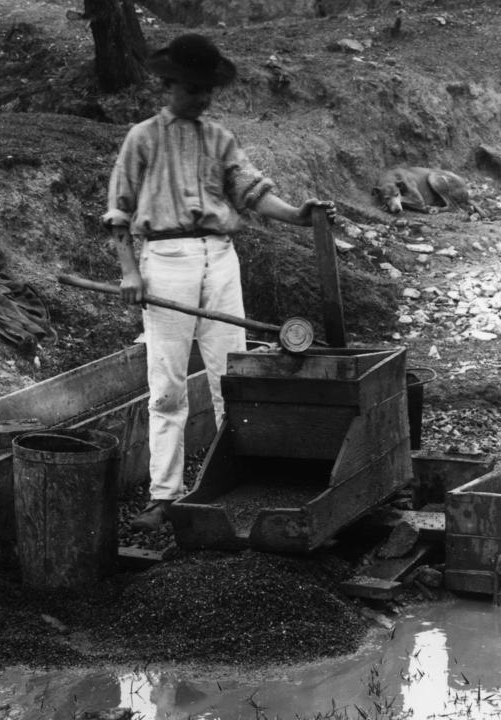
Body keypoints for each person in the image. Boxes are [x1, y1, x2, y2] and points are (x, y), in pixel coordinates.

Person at [101, 33, 336, 532]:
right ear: (169, 86)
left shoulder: (219, 138)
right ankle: (164, 496)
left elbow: (251, 192)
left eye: (207, 89)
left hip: (220, 259)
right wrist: (129, 271)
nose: (200, 98)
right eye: (191, 88)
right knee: (166, 388)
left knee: (233, 376)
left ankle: (239, 483)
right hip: (166, 259)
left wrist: (298, 214)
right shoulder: (141, 139)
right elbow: (119, 212)